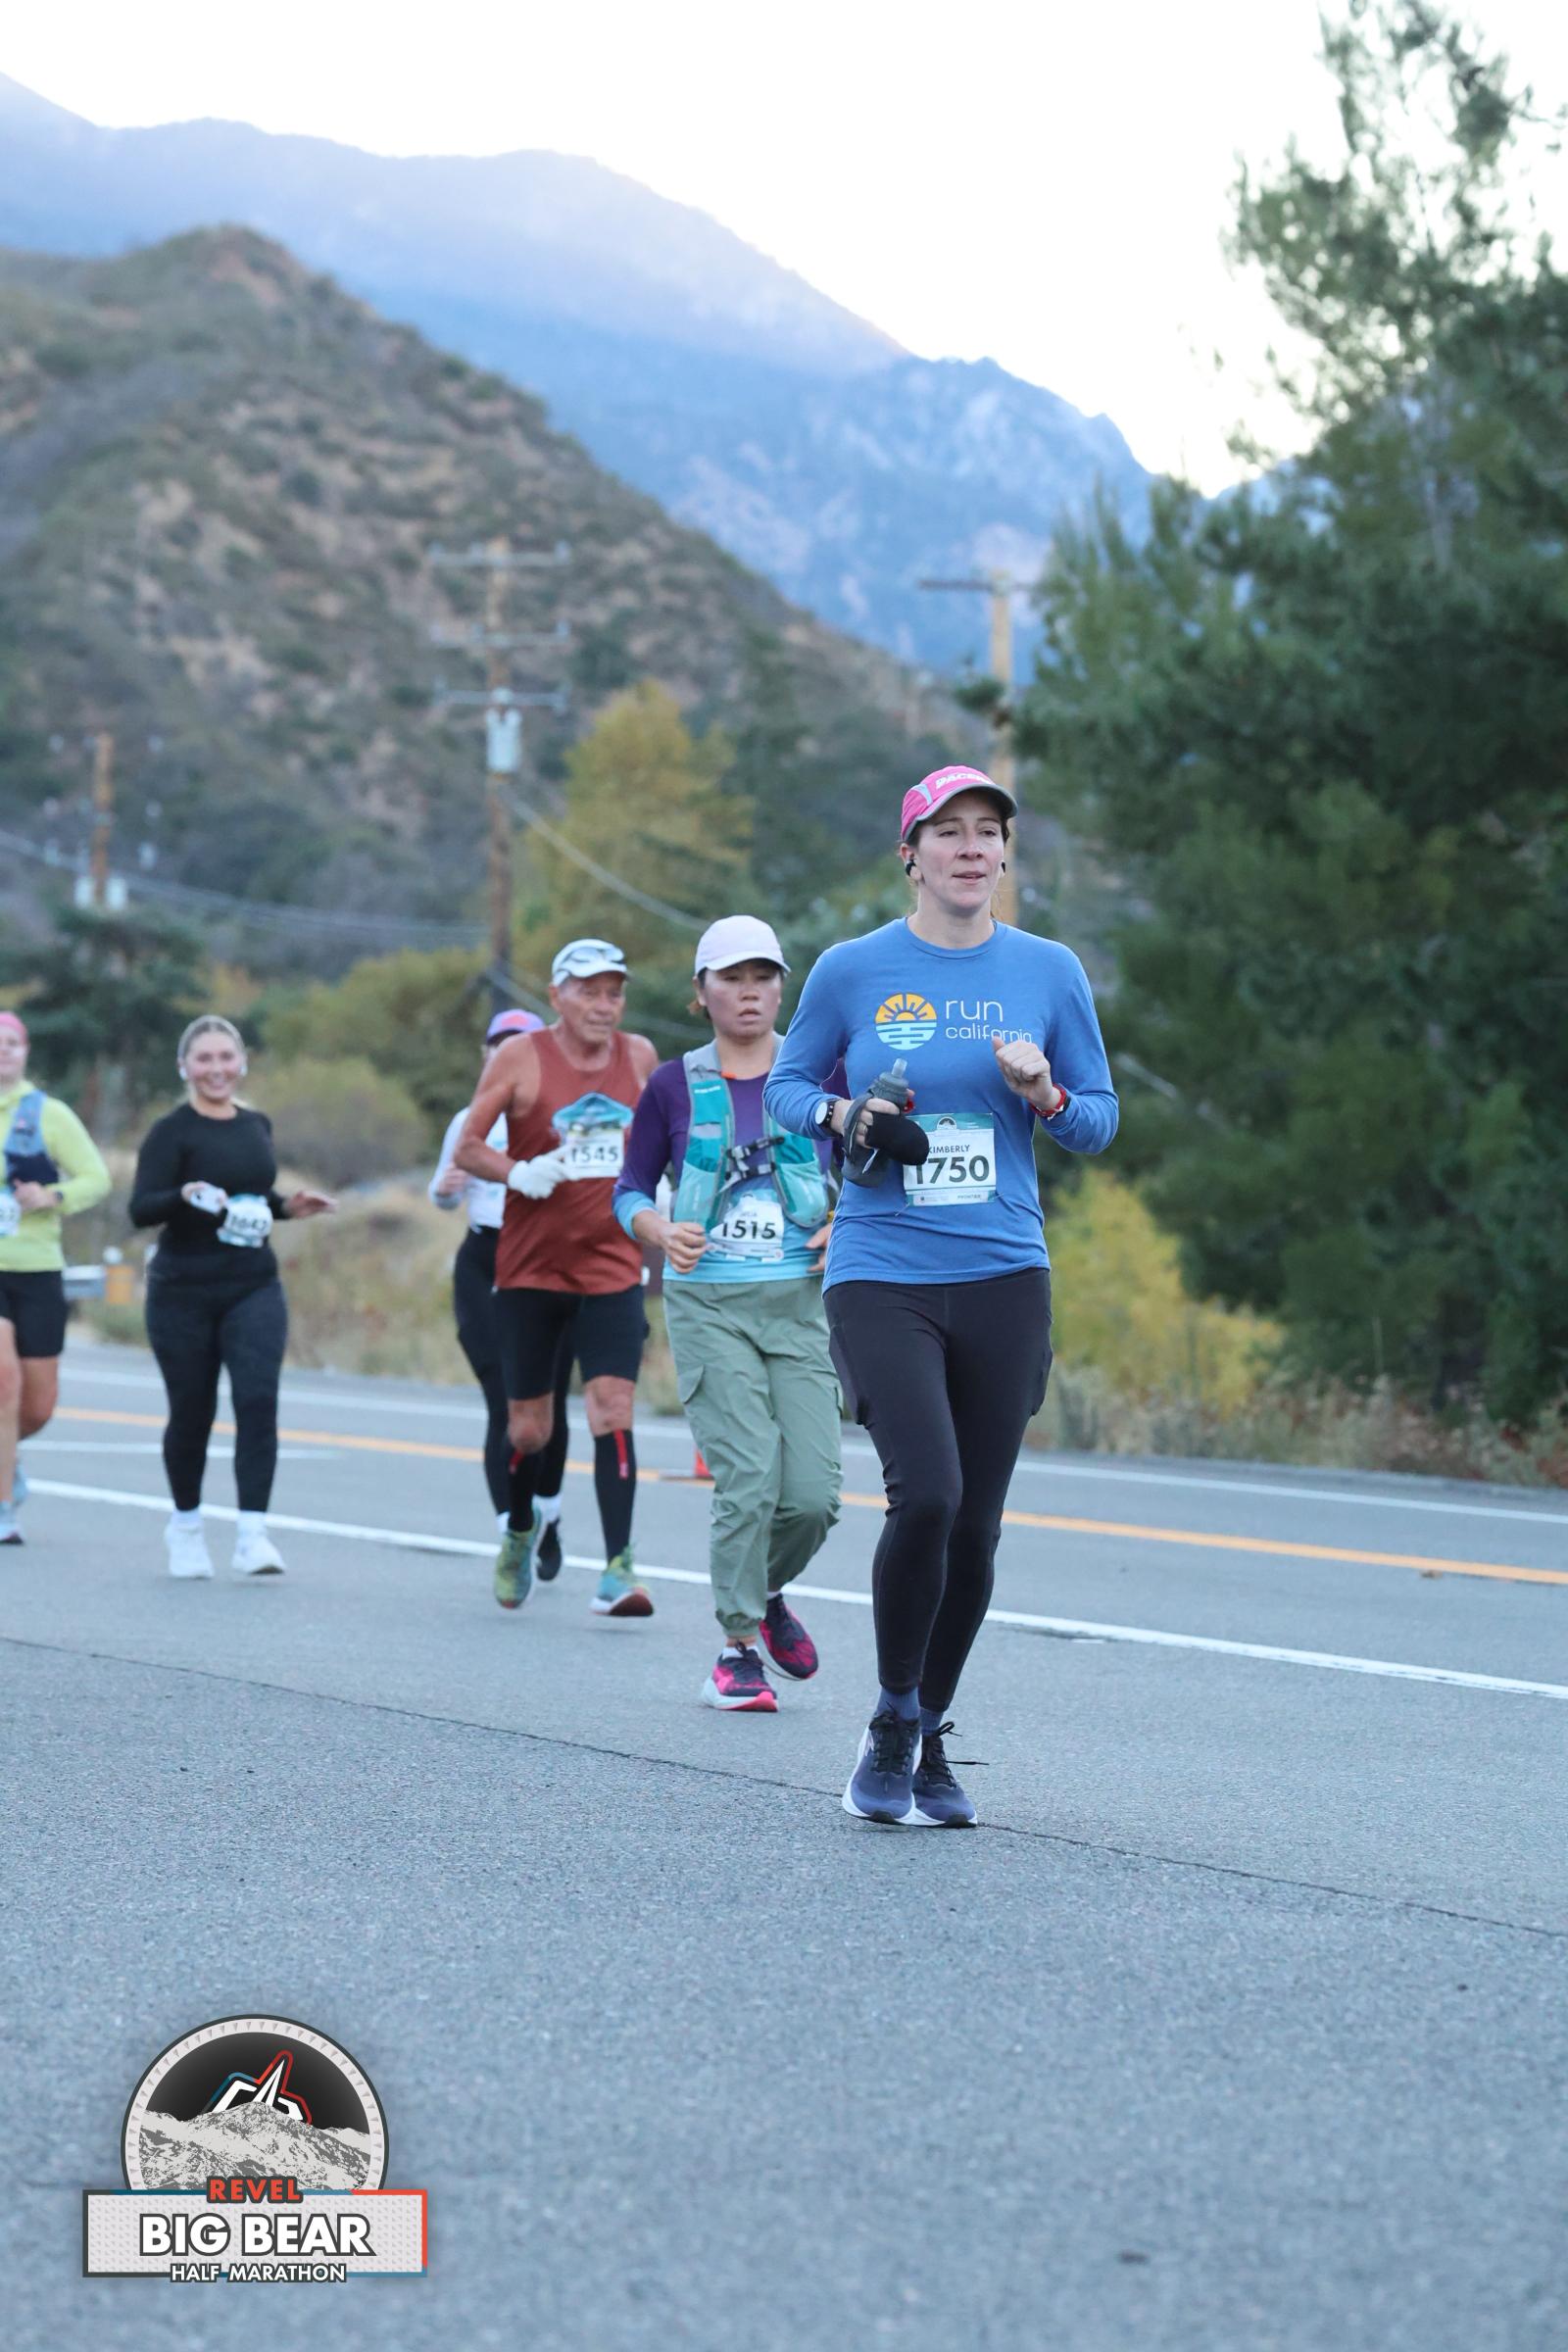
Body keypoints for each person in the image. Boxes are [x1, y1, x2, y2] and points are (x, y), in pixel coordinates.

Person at [765, 765, 1118, 1825]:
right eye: (949, 832)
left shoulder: (1048, 971)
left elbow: (1097, 1122)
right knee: (927, 1494)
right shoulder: (852, 968)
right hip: (883, 1270)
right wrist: (842, 1118)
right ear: (909, 855)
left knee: (977, 1529)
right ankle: (887, 1718)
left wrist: (1043, 1092)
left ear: (1005, 855)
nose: (971, 848)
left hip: (1004, 1272)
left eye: (988, 832)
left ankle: (928, 1730)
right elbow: (786, 1087)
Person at [613, 916, 842, 1713]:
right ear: (700, 993)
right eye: (731, 978)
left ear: (782, 988)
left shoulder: (822, 1075)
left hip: (798, 1306)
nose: (749, 993)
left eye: (763, 977)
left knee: (812, 1495)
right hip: (710, 1304)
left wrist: (845, 1221)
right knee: (748, 1478)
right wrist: (656, 1228)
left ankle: (764, 1592)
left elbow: (871, 1170)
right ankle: (736, 1648)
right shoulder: (672, 1086)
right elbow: (629, 1189)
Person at [455, 939, 658, 1617]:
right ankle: (520, 1529)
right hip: (531, 1272)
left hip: (612, 1265)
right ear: (556, 996)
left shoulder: (639, 1056)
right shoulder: (520, 1057)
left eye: (613, 992)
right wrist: (517, 1171)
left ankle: (619, 1568)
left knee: (612, 1410)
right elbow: (468, 1147)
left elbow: (661, 1139)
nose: (603, 1005)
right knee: (529, 1432)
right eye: (588, 991)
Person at [129, 1015, 335, 1579]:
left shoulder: (255, 1124)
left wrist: (286, 1207)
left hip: (252, 1284)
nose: (216, 1069)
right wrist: (183, 1194)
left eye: (226, 1057)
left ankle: (252, 1535)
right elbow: (141, 1208)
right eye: (204, 1059)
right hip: (182, 1290)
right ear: (184, 1067)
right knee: (193, 1412)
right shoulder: (170, 1132)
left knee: (258, 1400)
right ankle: (186, 1528)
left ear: (242, 1062)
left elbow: (251, 1198)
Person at [429, 1005, 571, 1573]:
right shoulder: (469, 1118)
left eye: (522, 1042)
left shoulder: (561, 1114)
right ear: (487, 1054)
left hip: (546, 1262)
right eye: (499, 1043)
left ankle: (549, 1513)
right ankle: (512, 1530)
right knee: (502, 1398)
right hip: (484, 1260)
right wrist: (445, 1188)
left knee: (548, 1401)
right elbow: (443, 1195)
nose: (508, 1052)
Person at [0, 1009, 111, 1545]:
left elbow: (97, 1178)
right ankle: (3, 1508)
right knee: (3, 1382)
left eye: (12, 1043)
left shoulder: (48, 1113)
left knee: (38, 1406)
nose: (3, 1052)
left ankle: (7, 1460)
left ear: (25, 1053)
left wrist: (53, 1196)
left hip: (39, 1268)